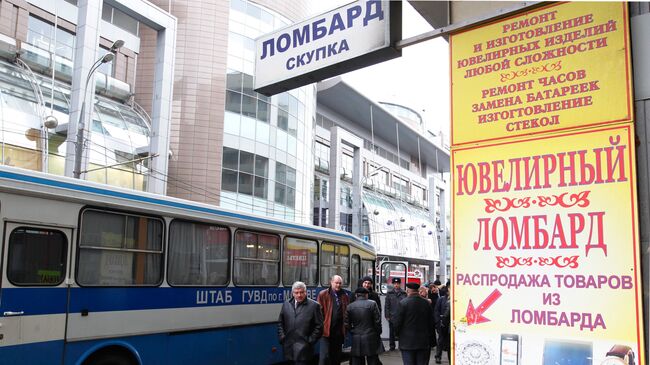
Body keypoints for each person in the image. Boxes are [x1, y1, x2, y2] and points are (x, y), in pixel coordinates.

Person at [278, 281, 324, 365]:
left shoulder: (314, 306)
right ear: (292, 293)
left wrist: (310, 341)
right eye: (296, 292)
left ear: (306, 292)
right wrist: (282, 337)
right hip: (289, 347)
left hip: (304, 349)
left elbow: (319, 326)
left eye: (302, 292)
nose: (299, 295)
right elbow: (280, 322)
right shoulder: (286, 304)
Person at [395, 282, 435, 365]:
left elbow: (397, 323)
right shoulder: (426, 303)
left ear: (407, 290)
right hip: (423, 342)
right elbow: (431, 323)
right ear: (418, 291)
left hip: (407, 343)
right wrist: (432, 341)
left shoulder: (403, 303)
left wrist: (398, 335)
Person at [317, 275, 349, 365]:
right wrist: (322, 325)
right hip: (326, 332)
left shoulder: (345, 295)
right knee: (324, 357)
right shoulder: (323, 294)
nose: (338, 285)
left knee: (336, 357)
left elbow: (346, 312)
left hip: (338, 332)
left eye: (340, 283)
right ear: (331, 283)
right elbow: (319, 312)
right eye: (336, 283)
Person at [345, 287, 382, 365]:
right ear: (366, 295)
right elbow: (377, 321)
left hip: (356, 337)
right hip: (370, 335)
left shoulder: (350, 306)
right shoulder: (372, 304)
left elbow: (346, 323)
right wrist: (378, 332)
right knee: (372, 360)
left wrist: (352, 331)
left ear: (356, 295)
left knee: (357, 360)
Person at [384, 277, 406, 351]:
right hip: (392, 315)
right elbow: (387, 305)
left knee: (401, 332)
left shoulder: (404, 293)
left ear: (400, 284)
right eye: (395, 283)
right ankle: (392, 346)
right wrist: (387, 315)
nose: (396, 285)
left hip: (401, 316)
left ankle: (401, 346)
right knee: (391, 332)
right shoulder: (389, 293)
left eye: (398, 283)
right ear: (393, 284)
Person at [433, 286, 450, 364]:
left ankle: (451, 358)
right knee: (440, 341)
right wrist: (438, 322)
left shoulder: (455, 299)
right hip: (442, 324)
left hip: (451, 324)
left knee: (450, 342)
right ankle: (438, 356)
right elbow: (436, 311)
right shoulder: (441, 299)